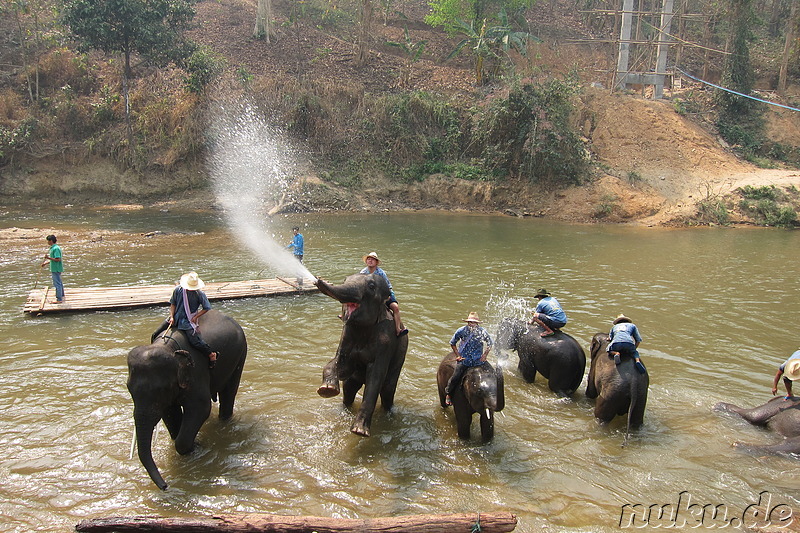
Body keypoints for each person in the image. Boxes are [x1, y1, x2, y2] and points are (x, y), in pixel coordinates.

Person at [162, 272, 218, 368]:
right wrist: (171, 316)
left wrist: (196, 317)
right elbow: (173, 304)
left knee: (195, 341)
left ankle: (211, 354)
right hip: (176, 316)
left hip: (187, 320)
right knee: (157, 332)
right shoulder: (178, 290)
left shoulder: (199, 294)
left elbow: (206, 307)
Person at [445, 311, 493, 406]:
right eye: (470, 322)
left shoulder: (482, 332)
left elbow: (490, 343)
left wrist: (485, 355)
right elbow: (452, 343)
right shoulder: (461, 331)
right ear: (467, 322)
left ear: (477, 323)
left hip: (478, 360)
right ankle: (448, 393)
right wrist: (458, 355)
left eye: (474, 322)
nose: (472, 324)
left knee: (493, 372)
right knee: (455, 376)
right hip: (465, 360)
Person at [360, 252, 407, 337]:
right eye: (368, 259)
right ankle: (346, 317)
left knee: (395, 307)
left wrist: (386, 297)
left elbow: (388, 287)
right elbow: (360, 286)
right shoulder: (363, 273)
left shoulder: (381, 273)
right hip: (369, 295)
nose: (370, 261)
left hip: (383, 294)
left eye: (372, 259)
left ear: (376, 262)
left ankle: (398, 329)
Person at [41, 234, 65, 303]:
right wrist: (46, 263)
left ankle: (59, 299)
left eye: (48, 241)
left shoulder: (56, 248)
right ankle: (61, 295)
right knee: (59, 282)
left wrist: (48, 258)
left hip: (56, 268)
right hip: (55, 267)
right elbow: (53, 259)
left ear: (51, 241)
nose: (47, 242)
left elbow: (58, 259)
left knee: (57, 283)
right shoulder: (52, 248)